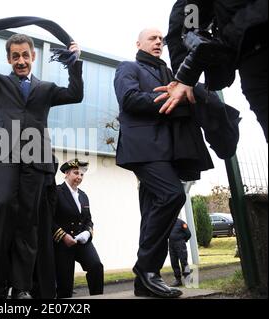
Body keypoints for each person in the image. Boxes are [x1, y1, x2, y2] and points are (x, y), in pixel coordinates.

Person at [0, 28, 83, 299]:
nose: (21, 61)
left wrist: (75, 62)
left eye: (25, 56)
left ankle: (21, 287)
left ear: (33, 56)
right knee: (4, 205)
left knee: (28, 223)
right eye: (15, 56)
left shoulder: (46, 89)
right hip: (4, 151)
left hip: (36, 158)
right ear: (9, 59)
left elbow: (76, 94)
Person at [114, 28, 189, 299]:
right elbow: (129, 99)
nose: (159, 42)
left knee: (151, 212)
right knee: (173, 195)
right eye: (153, 38)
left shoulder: (169, 74)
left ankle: (144, 282)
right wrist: (169, 97)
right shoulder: (128, 68)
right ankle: (146, 270)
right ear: (139, 43)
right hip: (143, 149)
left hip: (166, 150)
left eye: (161, 39)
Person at [156, 0, 268, 142]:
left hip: (252, 50)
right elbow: (191, 25)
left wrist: (185, 75)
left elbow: (188, 25)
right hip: (252, 57)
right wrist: (185, 74)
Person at [52, 159, 104, 298]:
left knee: (96, 267)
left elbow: (88, 220)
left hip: (81, 242)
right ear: (66, 174)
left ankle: (98, 297)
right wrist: (63, 236)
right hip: (63, 243)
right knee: (65, 285)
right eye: (76, 173)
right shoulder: (56, 192)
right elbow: (49, 220)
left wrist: (87, 233)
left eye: (81, 175)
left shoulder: (83, 196)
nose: (79, 177)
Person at [169, 218, 191, 287]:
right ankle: (178, 280)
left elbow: (188, 234)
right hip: (171, 245)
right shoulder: (168, 222)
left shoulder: (181, 223)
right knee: (174, 262)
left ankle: (188, 280)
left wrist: (182, 240)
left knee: (183, 262)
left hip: (180, 244)